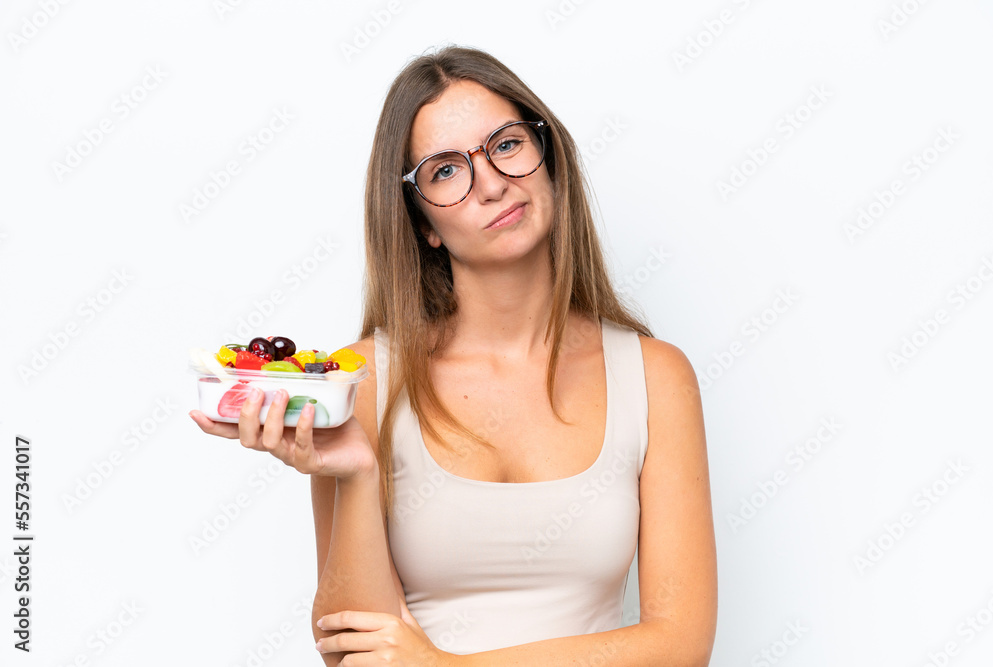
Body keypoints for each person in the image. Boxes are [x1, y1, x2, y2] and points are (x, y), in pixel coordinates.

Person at [190, 44, 717, 666]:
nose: (492, 183)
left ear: (548, 158)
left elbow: (681, 646)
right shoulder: (364, 378)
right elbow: (352, 652)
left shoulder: (655, 376)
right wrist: (354, 473)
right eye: (446, 171)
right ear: (423, 226)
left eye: (507, 144)